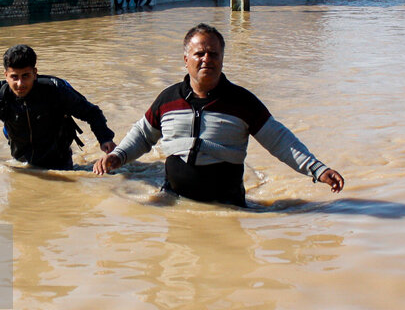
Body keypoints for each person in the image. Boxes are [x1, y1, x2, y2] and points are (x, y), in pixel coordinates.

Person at [93, 23, 344, 205]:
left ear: (222, 59)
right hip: (174, 203)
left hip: (228, 208)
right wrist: (118, 156)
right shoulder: (168, 100)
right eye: (199, 53)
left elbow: (279, 141)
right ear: (185, 59)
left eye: (213, 54)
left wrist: (318, 169)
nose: (206, 59)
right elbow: (142, 135)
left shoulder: (242, 102)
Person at [0, 44, 116, 170]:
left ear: (34, 73)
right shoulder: (0, 95)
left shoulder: (55, 90)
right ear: (6, 75)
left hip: (60, 164)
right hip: (21, 165)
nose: (20, 84)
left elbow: (92, 112)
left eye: (25, 76)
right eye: (14, 77)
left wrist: (105, 139)